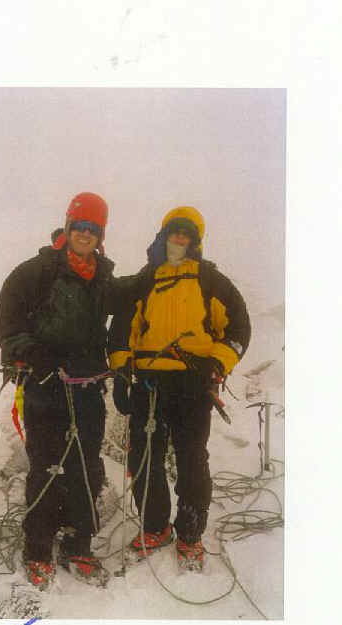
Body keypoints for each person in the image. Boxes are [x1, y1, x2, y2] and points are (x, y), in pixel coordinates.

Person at [0, 192, 133, 590]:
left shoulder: (103, 278)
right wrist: (31, 353)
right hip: (45, 385)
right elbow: (8, 323)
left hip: (88, 387)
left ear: (100, 234)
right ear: (69, 227)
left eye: (94, 229)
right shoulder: (34, 272)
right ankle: (37, 548)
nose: (86, 234)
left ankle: (79, 545)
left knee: (86, 465)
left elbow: (126, 309)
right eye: (81, 226)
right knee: (47, 466)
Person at [108, 206, 251, 571]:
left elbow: (237, 327)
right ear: (164, 235)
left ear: (196, 241)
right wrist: (122, 369)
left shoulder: (210, 280)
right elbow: (123, 329)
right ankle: (155, 527)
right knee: (144, 456)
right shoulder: (147, 279)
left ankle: (190, 534)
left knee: (191, 458)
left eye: (187, 234)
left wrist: (217, 362)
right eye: (175, 232)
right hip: (149, 381)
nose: (179, 239)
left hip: (192, 381)